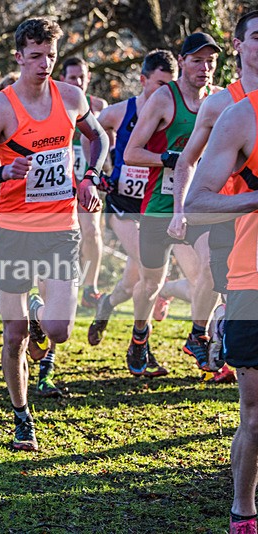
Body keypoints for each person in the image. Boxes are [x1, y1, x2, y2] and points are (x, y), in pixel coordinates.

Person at [0, 17, 107, 450]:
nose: (44, 64)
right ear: (18, 56)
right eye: (35, 56)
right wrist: (1, 172)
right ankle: (21, 415)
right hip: (11, 230)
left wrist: (89, 177)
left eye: (50, 55)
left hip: (59, 227)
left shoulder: (70, 97)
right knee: (13, 336)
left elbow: (98, 138)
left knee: (59, 328)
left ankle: (38, 309)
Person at [184, 31, 258, 530]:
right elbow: (198, 198)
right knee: (254, 414)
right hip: (251, 277)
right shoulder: (237, 113)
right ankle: (243, 511)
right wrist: (253, 199)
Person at [123, 32, 222, 377]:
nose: (205, 68)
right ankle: (139, 336)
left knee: (212, 267)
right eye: (197, 60)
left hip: (200, 203)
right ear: (181, 62)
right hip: (159, 206)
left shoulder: (220, 100)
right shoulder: (166, 99)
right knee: (151, 283)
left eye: (211, 61)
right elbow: (130, 153)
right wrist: (170, 158)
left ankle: (198, 333)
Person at [171, 13, 258, 382]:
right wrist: (178, 210)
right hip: (227, 214)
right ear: (239, 45)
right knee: (215, 276)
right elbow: (187, 160)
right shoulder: (221, 105)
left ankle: (220, 328)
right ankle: (214, 328)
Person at [87, 50, 177, 352]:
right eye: (160, 84)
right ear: (143, 80)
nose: (166, 92)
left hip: (155, 203)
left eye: (171, 85)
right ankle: (142, 345)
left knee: (132, 281)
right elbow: (93, 134)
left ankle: (108, 305)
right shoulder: (119, 111)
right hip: (123, 205)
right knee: (145, 266)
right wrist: (101, 170)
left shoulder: (175, 111)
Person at [60, 57, 108, 307]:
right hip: (64, 180)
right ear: (62, 79)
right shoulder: (58, 104)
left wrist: (100, 173)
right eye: (72, 77)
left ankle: (91, 287)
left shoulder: (99, 106)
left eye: (82, 76)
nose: (78, 81)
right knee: (66, 235)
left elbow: (105, 140)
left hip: (89, 178)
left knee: (92, 231)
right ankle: (61, 287)